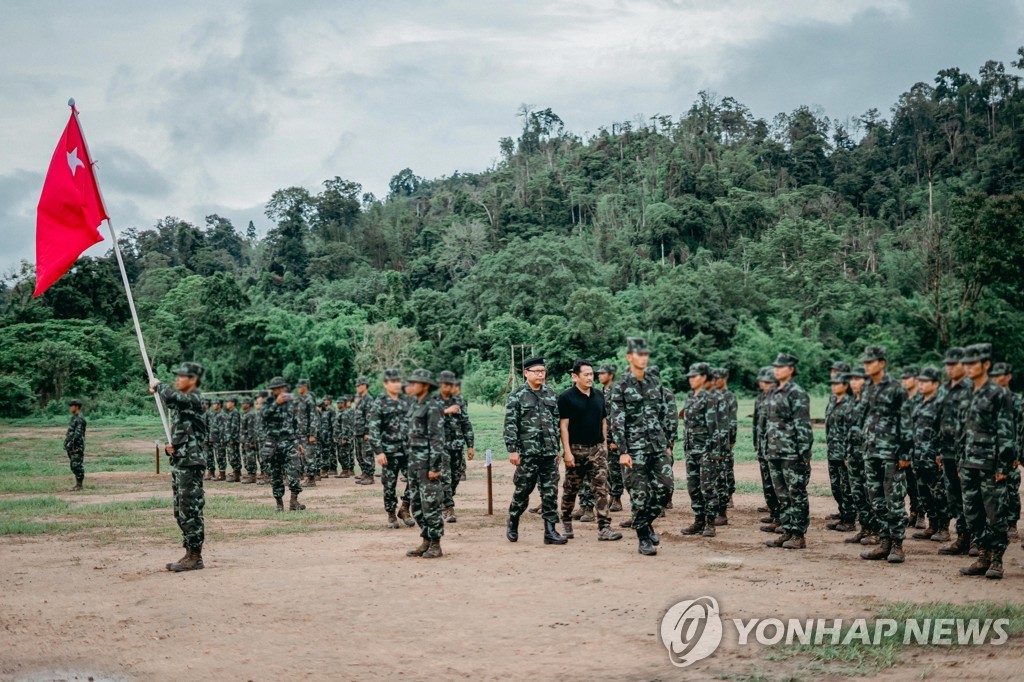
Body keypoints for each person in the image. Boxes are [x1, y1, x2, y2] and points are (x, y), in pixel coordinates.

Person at [608, 338, 672, 556]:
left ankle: (644, 521)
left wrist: (667, 442)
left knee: (665, 487)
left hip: (657, 446)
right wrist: (623, 451)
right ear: (629, 357)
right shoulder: (621, 386)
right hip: (634, 449)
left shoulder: (655, 382)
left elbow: (664, 413)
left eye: (646, 354)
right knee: (639, 493)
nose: (643, 358)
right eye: (639, 354)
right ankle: (643, 537)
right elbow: (617, 420)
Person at [957, 344, 1015, 579]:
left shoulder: (998, 393)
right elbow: (962, 431)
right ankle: (983, 556)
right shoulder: (966, 392)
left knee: (995, 513)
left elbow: (1006, 432)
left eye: (973, 363)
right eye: (966, 364)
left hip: (991, 464)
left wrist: (1003, 464)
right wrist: (961, 459)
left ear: (986, 365)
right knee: (972, 512)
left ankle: (997, 560)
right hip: (969, 463)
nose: (968, 368)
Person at [149, 362, 207, 572]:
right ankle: (188, 552)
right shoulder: (183, 407)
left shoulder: (194, 397)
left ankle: (195, 556)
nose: (178, 379)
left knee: (190, 508)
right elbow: (182, 435)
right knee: (180, 510)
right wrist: (170, 447)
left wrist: (158, 384)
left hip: (191, 464)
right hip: (182, 461)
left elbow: (171, 397)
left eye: (182, 377)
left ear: (192, 380)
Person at [504, 357, 567, 546]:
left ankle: (550, 531)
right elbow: (510, 424)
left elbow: (555, 422)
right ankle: (513, 520)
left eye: (543, 371)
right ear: (526, 373)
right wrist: (513, 450)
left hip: (548, 453)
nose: (540, 374)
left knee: (550, 492)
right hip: (527, 453)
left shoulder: (550, 394)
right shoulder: (517, 395)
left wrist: (556, 448)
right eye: (536, 371)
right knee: (523, 491)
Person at [558, 359, 622, 542]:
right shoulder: (566, 397)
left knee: (602, 488)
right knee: (571, 488)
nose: (590, 378)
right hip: (576, 449)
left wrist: (603, 446)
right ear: (574, 376)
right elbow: (564, 426)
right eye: (585, 374)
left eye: (591, 374)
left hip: (597, 449)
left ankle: (604, 527)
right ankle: (566, 522)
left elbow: (603, 421)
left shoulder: (599, 396)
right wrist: (567, 452)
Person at [858, 346, 910, 564]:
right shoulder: (867, 387)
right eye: (865, 362)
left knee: (894, 498)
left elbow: (905, 421)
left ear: (882, 363)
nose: (867, 365)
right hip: (870, 451)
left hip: (891, 451)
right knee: (876, 498)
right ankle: (884, 540)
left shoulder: (896, 388)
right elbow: (863, 418)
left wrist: (905, 452)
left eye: (871, 362)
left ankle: (897, 545)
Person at [763, 352, 812, 550]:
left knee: (796, 493)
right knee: (781, 494)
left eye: (781, 366)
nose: (776, 369)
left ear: (791, 369)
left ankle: (798, 534)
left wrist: (804, 452)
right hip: (774, 451)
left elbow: (803, 425)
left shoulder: (797, 393)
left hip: (792, 453)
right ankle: (787, 529)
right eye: (775, 366)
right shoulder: (774, 392)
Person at [404, 369, 446, 559]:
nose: (411, 386)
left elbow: (437, 439)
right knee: (416, 506)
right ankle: (426, 540)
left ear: (426, 385)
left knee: (431, 504)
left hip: (427, 465)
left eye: (415, 383)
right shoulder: (415, 405)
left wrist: (435, 467)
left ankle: (436, 544)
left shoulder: (432, 406)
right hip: (414, 463)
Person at [937, 347, 974, 556]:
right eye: (947, 365)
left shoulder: (972, 388)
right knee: (954, 496)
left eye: (954, 364)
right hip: (948, 451)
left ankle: (978, 539)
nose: (949, 368)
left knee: (972, 497)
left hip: (968, 453)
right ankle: (962, 537)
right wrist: (938, 451)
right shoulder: (943, 389)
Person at [680, 362, 722, 538]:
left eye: (695, 376)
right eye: (689, 376)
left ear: (704, 378)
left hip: (705, 450)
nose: (691, 379)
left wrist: (714, 453)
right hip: (691, 450)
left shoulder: (709, 398)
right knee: (693, 487)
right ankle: (698, 520)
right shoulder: (690, 398)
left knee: (707, 487)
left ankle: (710, 523)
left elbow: (714, 427)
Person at [369, 369, 415, 529]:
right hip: (389, 451)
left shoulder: (407, 400)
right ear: (385, 384)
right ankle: (391, 514)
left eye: (398, 381)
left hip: (408, 450)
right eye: (392, 381)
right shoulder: (380, 402)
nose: (396, 384)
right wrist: (379, 451)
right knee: (389, 484)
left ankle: (404, 508)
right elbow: (374, 429)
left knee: (414, 480)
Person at [909, 367, 948, 541]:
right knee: (923, 493)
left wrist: (940, 454)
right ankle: (932, 526)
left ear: (936, 384)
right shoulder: (918, 404)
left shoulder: (941, 404)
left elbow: (945, 432)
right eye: (920, 381)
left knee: (939, 494)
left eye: (925, 382)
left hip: (934, 458)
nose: (921, 385)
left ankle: (944, 529)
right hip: (918, 457)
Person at [260, 377, 306, 512]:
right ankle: (279, 504)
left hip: (290, 442)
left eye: (280, 388)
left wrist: (298, 442)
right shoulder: (268, 402)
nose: (278, 391)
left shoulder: (291, 403)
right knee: (275, 474)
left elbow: (295, 423)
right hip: (274, 442)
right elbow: (263, 416)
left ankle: (294, 501)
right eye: (275, 389)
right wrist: (276, 403)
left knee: (295, 470)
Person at [437, 371, 475, 523]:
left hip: (457, 444)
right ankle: (448, 507)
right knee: (445, 476)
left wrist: (470, 445)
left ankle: (444, 500)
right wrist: (445, 411)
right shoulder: (433, 400)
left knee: (456, 476)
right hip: (440, 445)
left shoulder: (460, 400)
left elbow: (466, 423)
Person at [989, 363, 1021, 541]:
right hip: (992, 451)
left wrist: (1016, 453)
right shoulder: (990, 399)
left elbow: (1020, 428)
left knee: (1011, 488)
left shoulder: (1016, 400)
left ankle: (1012, 523)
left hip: (1011, 451)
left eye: (999, 375)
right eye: (993, 375)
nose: (995, 378)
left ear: (1008, 377)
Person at [825, 373, 856, 532]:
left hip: (843, 453)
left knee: (846, 488)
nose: (834, 386)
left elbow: (851, 431)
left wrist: (847, 454)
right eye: (833, 383)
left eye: (837, 383)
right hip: (832, 452)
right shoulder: (832, 402)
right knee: (836, 487)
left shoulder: (850, 404)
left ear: (845, 385)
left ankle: (849, 520)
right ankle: (843, 516)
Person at [755, 367, 782, 532]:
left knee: (778, 485)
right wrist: (756, 443)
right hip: (764, 447)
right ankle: (774, 513)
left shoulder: (779, 399)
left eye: (768, 382)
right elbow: (757, 424)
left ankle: (781, 518)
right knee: (768, 484)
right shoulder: (761, 399)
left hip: (776, 449)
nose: (764, 384)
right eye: (763, 382)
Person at [598, 364, 624, 512]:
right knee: (606, 469)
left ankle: (617, 498)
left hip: (613, 437)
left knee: (615, 470)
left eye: (603, 373)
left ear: (611, 375)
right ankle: (611, 497)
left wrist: (615, 440)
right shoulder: (600, 392)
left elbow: (617, 418)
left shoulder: (616, 392)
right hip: (603, 436)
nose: (600, 375)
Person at [900, 367, 924, 529]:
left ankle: (921, 515)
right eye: (903, 378)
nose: (905, 381)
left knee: (920, 484)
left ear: (916, 379)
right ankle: (913, 513)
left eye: (908, 378)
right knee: (908, 484)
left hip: (920, 448)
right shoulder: (903, 399)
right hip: (905, 448)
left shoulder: (923, 399)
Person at [713, 367, 737, 518]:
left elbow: (732, 420)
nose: (715, 381)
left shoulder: (729, 396)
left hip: (725, 438)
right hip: (713, 438)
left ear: (724, 379)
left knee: (726, 468)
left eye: (718, 378)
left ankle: (729, 496)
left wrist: (731, 439)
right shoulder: (712, 395)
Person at [294, 379, 319, 486]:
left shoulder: (309, 399)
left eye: (300, 387)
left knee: (309, 455)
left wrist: (312, 434)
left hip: (308, 433)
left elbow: (314, 417)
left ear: (305, 387)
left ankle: (311, 478)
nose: (298, 388)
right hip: (301, 432)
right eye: (298, 387)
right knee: (303, 455)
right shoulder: (301, 399)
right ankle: (308, 476)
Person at [353, 377, 376, 485]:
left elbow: (370, 417)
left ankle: (370, 476)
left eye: (359, 385)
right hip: (358, 431)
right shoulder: (361, 399)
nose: (357, 387)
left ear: (364, 385)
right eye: (356, 386)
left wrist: (367, 432)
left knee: (367, 454)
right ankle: (365, 473)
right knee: (360, 454)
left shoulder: (368, 399)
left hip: (364, 432)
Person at [63, 399, 87, 491]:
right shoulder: (74, 418)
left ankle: (79, 485)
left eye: (72, 406)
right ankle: (77, 484)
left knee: (77, 465)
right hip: (71, 446)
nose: (70, 408)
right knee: (73, 465)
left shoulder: (80, 419)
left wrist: (75, 447)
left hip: (76, 447)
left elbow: (78, 435)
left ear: (76, 407)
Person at [335, 395, 356, 478]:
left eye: (340, 403)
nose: (338, 404)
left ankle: (346, 471)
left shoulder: (345, 413)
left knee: (344, 455)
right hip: (339, 437)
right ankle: (344, 470)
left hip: (343, 438)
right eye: (337, 403)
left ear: (343, 403)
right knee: (340, 455)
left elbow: (345, 427)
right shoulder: (340, 413)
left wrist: (344, 438)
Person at [239, 396, 259, 484]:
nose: (242, 405)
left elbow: (251, 429)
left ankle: (252, 475)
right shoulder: (245, 413)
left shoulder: (251, 414)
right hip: (244, 439)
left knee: (250, 457)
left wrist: (251, 441)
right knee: (245, 456)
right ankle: (249, 473)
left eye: (244, 403)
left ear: (248, 404)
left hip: (249, 439)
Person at [223, 396, 242, 482]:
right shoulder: (230, 412)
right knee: (231, 456)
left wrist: (232, 438)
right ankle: (236, 471)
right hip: (228, 438)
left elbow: (235, 427)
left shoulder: (234, 412)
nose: (226, 404)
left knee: (234, 456)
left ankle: (237, 473)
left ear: (233, 403)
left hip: (232, 439)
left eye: (228, 402)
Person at [208, 400, 225, 481]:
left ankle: (222, 474)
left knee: (220, 456)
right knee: (216, 456)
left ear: (219, 405)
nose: (213, 405)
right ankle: (216, 473)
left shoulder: (221, 415)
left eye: (214, 404)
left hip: (218, 439)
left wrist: (222, 439)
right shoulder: (214, 414)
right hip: (214, 439)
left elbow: (222, 428)